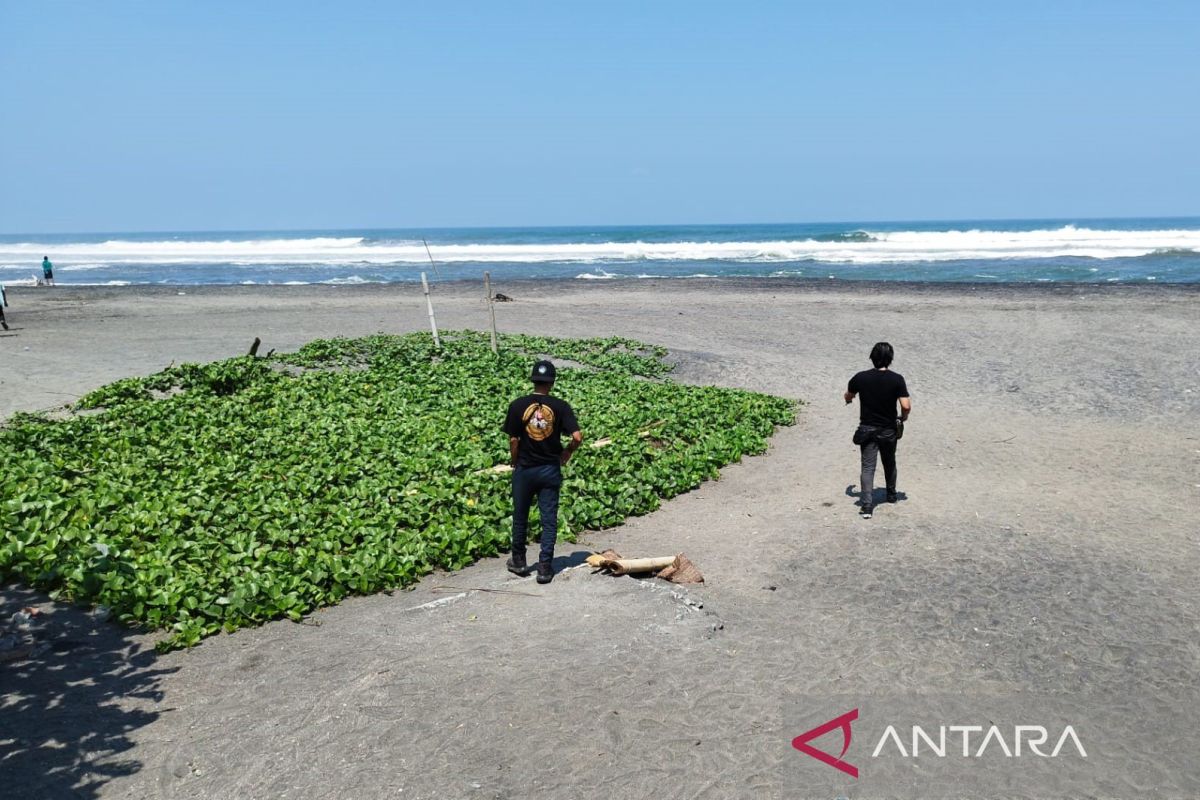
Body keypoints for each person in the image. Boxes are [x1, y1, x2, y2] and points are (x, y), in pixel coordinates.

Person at [502, 359, 583, 584]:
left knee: (520, 516)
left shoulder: (518, 405)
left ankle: (518, 561)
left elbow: (514, 439)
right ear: (552, 382)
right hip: (549, 469)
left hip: (525, 470)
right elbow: (577, 437)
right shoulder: (561, 406)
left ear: (533, 380)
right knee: (548, 519)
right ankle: (545, 568)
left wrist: (514, 460)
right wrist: (567, 452)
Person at [844, 342, 911, 519]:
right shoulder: (897, 379)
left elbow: (848, 394)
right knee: (889, 462)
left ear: (872, 358)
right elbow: (906, 405)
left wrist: (849, 399)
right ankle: (891, 495)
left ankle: (866, 506)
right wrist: (903, 417)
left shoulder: (860, 377)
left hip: (867, 429)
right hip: (888, 430)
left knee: (867, 466)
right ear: (890, 359)